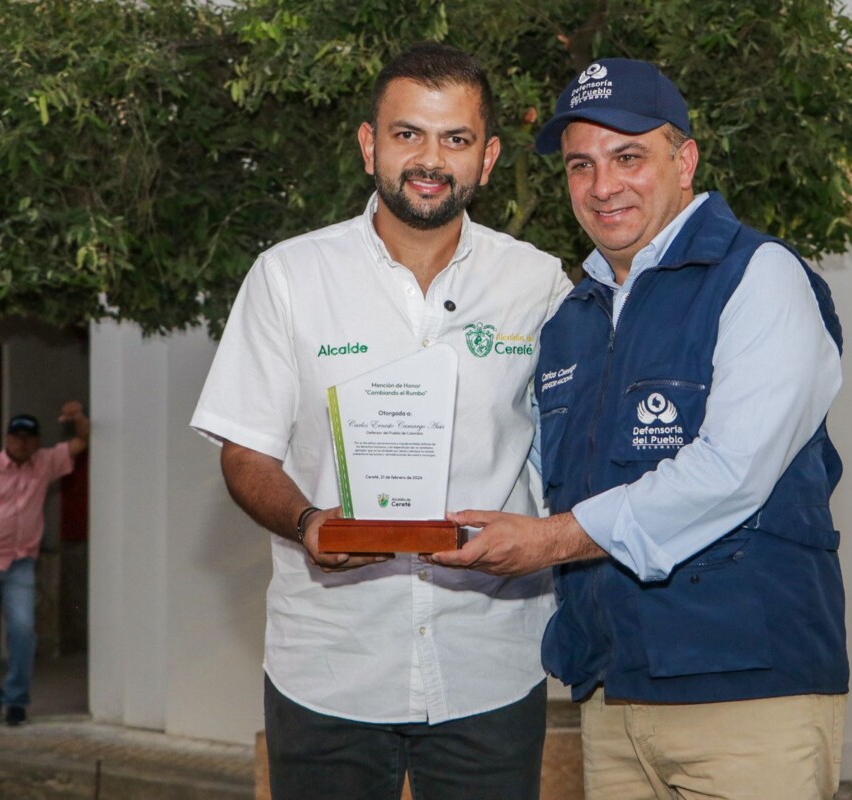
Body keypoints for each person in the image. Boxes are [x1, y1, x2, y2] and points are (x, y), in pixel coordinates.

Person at [431, 58, 848, 800]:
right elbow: (536, 481)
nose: (603, 186)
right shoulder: (571, 322)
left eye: (629, 157)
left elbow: (731, 473)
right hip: (613, 696)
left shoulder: (759, 275)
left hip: (748, 694)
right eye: (580, 165)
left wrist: (548, 540)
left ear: (683, 161)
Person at [190, 42, 571, 800]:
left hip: (489, 665)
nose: (430, 160)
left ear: (488, 158)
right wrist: (307, 524)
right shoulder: (290, 277)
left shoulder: (538, 285)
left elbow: (570, 450)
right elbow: (246, 450)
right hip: (329, 667)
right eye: (408, 134)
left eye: (455, 139)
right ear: (370, 146)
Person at [0, 401, 90, 727]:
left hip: (21, 561)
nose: (21, 443)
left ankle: (16, 701)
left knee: (23, 629)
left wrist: (78, 417)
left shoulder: (46, 462)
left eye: (28, 437)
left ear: (37, 441)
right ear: (7, 438)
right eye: (16, 437)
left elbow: (81, 441)